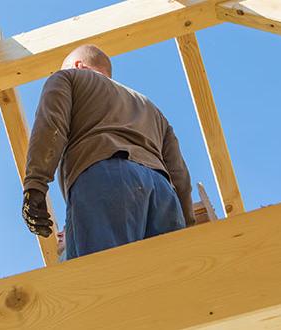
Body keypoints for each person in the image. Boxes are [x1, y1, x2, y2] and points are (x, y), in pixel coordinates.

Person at [22, 44, 193, 260]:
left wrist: (35, 185)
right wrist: (187, 225)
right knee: (167, 285)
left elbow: (51, 126)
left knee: (103, 282)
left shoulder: (69, 78)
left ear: (77, 65)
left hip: (106, 178)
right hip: (163, 195)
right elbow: (179, 174)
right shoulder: (152, 109)